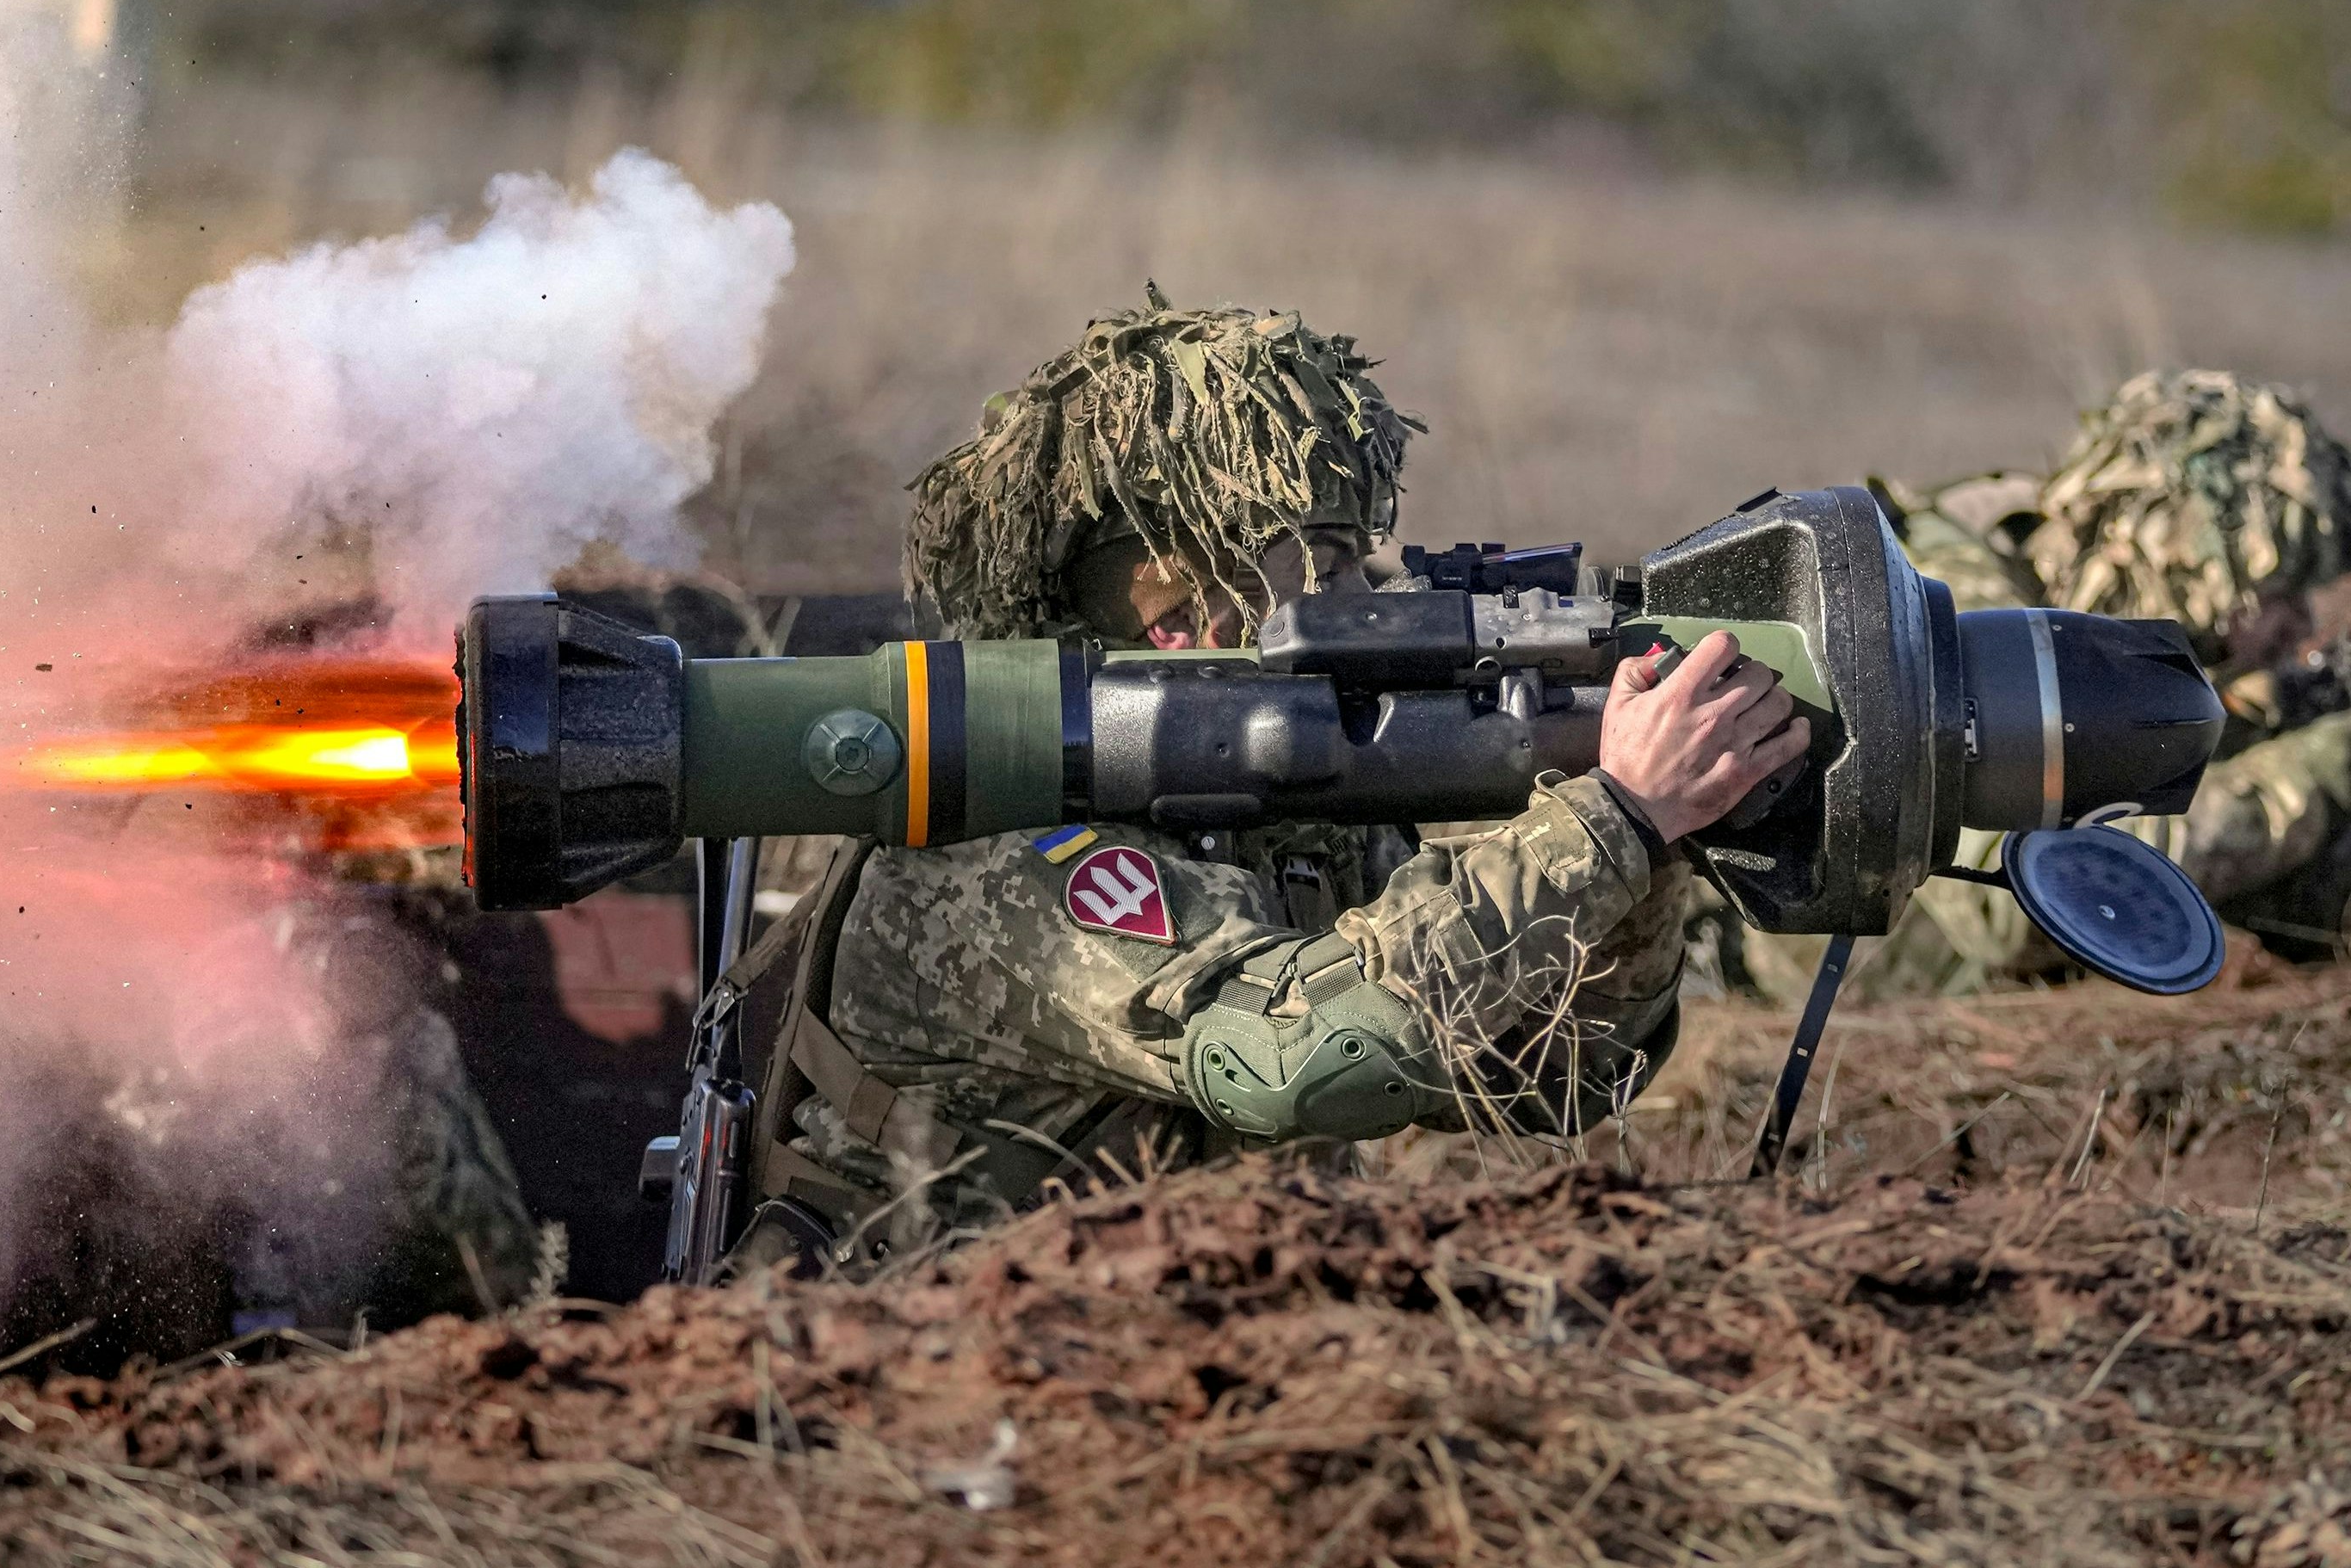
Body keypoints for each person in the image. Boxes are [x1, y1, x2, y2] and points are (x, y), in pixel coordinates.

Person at [719, 296, 1809, 1271]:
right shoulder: (1003, 849)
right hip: (901, 1399)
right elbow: (1290, 1058)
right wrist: (1609, 819)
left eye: (1349, 555)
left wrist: (1647, 845)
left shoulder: (1274, 821)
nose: (1354, 591)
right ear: (1169, 602)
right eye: (1309, 559)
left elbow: (1550, 1079)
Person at [1743, 368, 2351, 997]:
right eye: (2281, 589)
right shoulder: (1938, 615)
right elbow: (2016, 900)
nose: (2301, 625)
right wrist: (2309, 776)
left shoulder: (2076, 602)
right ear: (2192, 556)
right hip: (1820, 1011)